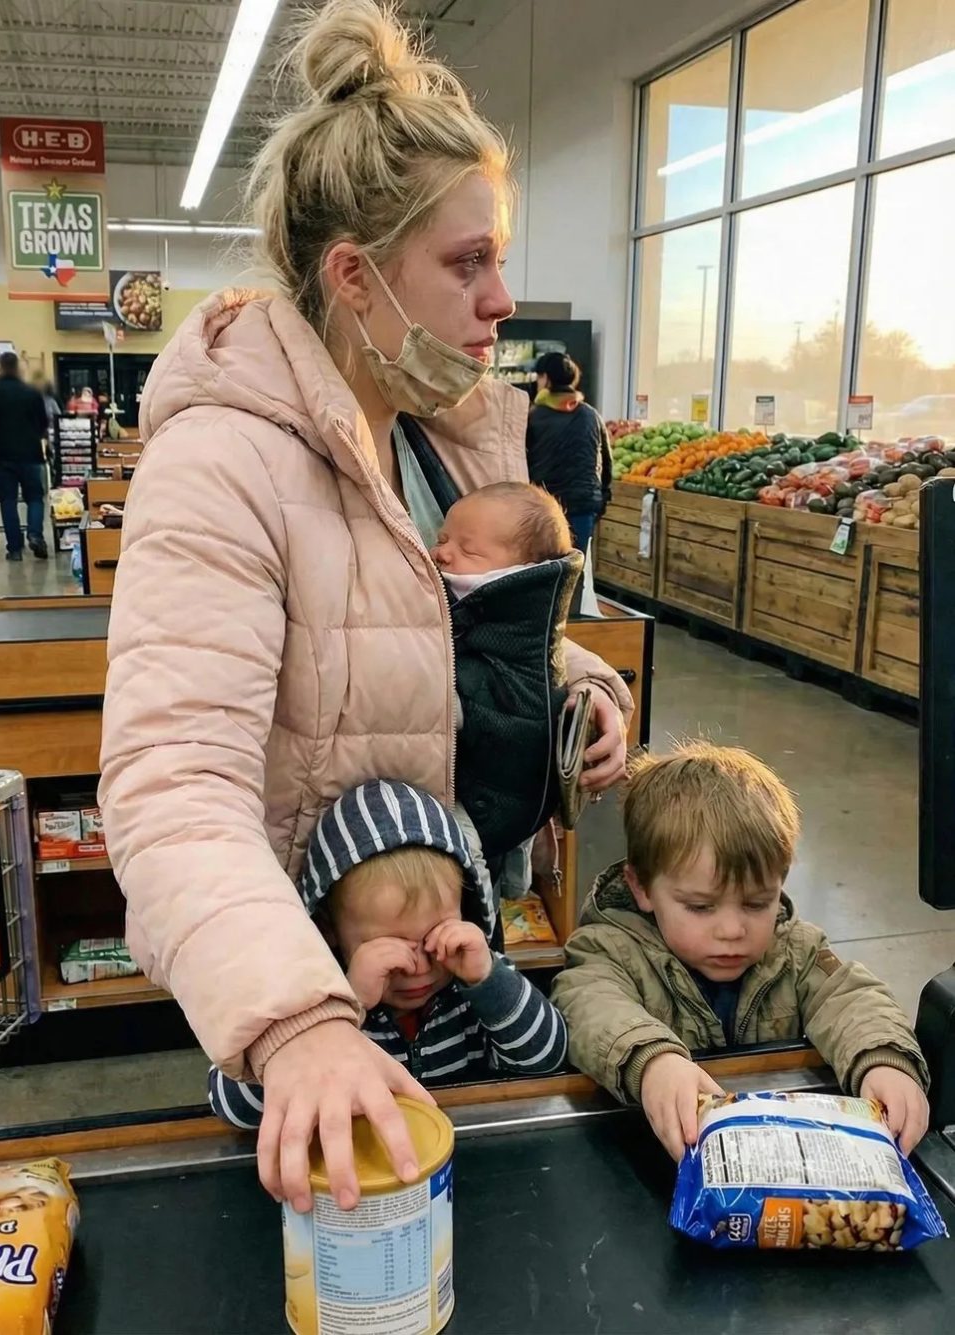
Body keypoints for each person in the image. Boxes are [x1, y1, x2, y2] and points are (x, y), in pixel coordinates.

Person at [98, 0, 632, 1217]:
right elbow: (174, 780)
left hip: (467, 953)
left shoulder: (453, 442)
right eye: (465, 262)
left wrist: (580, 686)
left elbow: (473, 630)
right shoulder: (224, 465)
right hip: (318, 997)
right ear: (353, 276)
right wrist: (294, 1024)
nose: (502, 298)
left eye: (496, 257)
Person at [551, 743, 930, 1161]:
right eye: (700, 907)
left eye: (756, 903)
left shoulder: (796, 952)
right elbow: (588, 1002)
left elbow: (851, 999)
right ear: (642, 887)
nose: (732, 930)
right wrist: (653, 1062)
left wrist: (884, 1061)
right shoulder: (609, 951)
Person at [209, 780, 567, 1128]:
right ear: (327, 929)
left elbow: (547, 1058)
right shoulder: (301, 1000)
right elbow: (235, 1109)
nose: (417, 967)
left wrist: (488, 979)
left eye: (435, 937)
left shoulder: (474, 976)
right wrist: (349, 1004)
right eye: (387, 945)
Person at [431, 481, 582, 865]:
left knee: (465, 854)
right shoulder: (494, 608)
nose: (441, 554)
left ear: (520, 572)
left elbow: (467, 687)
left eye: (468, 550)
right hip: (501, 792)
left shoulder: (508, 620)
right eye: (442, 538)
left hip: (491, 799)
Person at [526, 351, 612, 559]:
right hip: (584, 504)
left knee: (546, 568)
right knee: (576, 565)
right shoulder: (590, 414)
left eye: (539, 377)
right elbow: (606, 460)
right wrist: (602, 498)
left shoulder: (534, 417)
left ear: (546, 378)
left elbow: (521, 459)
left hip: (546, 506)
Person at [0, 352, 49, 561]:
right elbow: (43, 424)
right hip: (30, 454)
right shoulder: (31, 393)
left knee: (8, 501)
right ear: (18, 368)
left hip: (2, 455)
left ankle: (14, 549)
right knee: (35, 497)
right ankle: (35, 534)